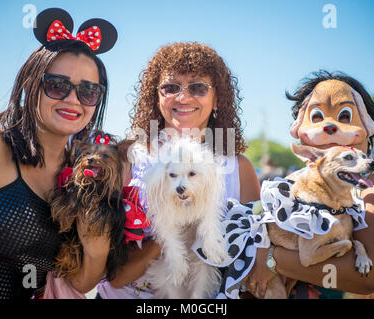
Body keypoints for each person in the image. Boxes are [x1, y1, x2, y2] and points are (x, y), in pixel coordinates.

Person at [0, 8, 119, 298]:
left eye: (88, 91)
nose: (72, 100)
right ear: (31, 85)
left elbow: (80, 284)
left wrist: (97, 247)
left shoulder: (83, 177)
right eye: (57, 85)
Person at [93, 42, 261, 298]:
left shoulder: (239, 169)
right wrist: (168, 234)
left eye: (198, 87)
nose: (183, 98)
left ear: (218, 98)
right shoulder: (129, 157)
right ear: (156, 96)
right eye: (170, 87)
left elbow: (253, 262)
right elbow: (113, 276)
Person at [243, 71, 374, 299]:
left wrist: (270, 258)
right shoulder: (291, 184)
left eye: (345, 115)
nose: (329, 127)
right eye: (317, 116)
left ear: (367, 126)